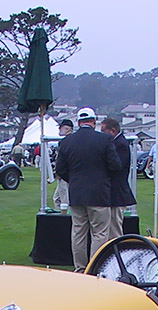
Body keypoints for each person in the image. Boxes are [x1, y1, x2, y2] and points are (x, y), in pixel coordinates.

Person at [54, 107, 120, 271]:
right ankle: (94, 268)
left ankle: (80, 268)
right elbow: (115, 166)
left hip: (76, 193)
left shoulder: (67, 142)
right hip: (99, 194)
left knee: (78, 232)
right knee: (99, 233)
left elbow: (60, 170)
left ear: (78, 122)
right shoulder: (104, 140)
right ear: (94, 122)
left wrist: (74, 180)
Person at [100, 117, 136, 239]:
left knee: (114, 228)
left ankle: (117, 254)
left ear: (113, 131)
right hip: (111, 193)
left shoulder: (121, 144)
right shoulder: (115, 143)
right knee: (109, 227)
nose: (101, 134)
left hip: (117, 193)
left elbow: (117, 167)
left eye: (103, 131)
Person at [51, 118, 74, 211]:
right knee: (57, 198)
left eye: (61, 128)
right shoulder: (67, 141)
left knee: (64, 200)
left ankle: (65, 219)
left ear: (67, 129)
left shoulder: (66, 142)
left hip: (65, 176)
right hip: (63, 175)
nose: (59, 130)